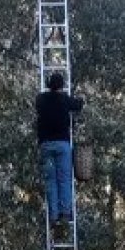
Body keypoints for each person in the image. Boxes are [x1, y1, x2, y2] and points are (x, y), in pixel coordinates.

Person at [36, 72, 84, 226]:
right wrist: (81, 98)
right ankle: (65, 213)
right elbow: (78, 105)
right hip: (62, 145)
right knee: (64, 179)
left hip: (46, 145)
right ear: (62, 86)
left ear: (49, 85)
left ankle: (54, 215)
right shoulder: (64, 99)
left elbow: (39, 105)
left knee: (51, 180)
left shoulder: (41, 99)